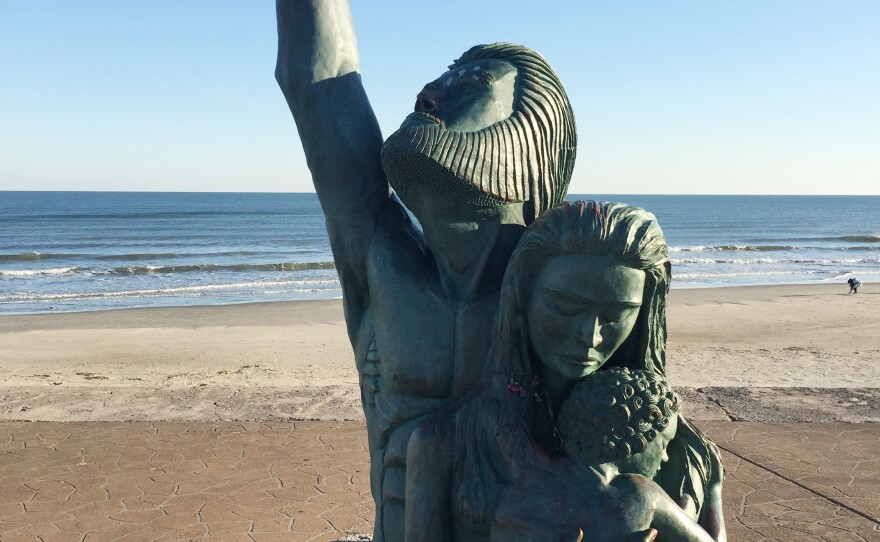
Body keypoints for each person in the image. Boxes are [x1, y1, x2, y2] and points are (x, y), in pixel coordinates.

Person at [274, 2, 576, 539]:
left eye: (472, 85)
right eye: (439, 80)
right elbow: (319, 78)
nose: (429, 95)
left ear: (531, 133)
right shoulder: (381, 261)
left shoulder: (558, 294)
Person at [405, 201, 725, 541]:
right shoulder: (446, 442)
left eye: (617, 314)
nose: (590, 336)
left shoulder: (660, 431)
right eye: (564, 307)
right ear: (522, 297)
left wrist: (710, 494)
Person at [489, 368, 716, 542]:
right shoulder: (640, 494)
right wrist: (714, 489)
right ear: (634, 437)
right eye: (664, 443)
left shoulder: (519, 491)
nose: (666, 457)